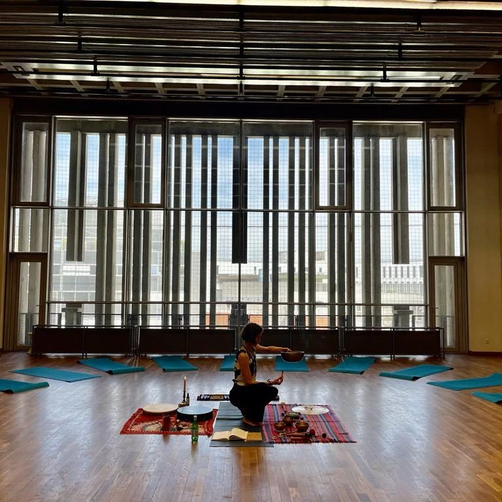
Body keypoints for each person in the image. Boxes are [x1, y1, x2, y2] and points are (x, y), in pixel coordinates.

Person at [229, 323, 291, 427]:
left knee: (271, 391)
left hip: (247, 389)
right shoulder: (243, 355)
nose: (260, 338)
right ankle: (247, 416)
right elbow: (248, 382)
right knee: (266, 390)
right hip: (239, 392)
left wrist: (283, 349)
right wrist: (271, 382)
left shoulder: (253, 347)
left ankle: (248, 411)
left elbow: (267, 349)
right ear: (251, 336)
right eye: (258, 336)